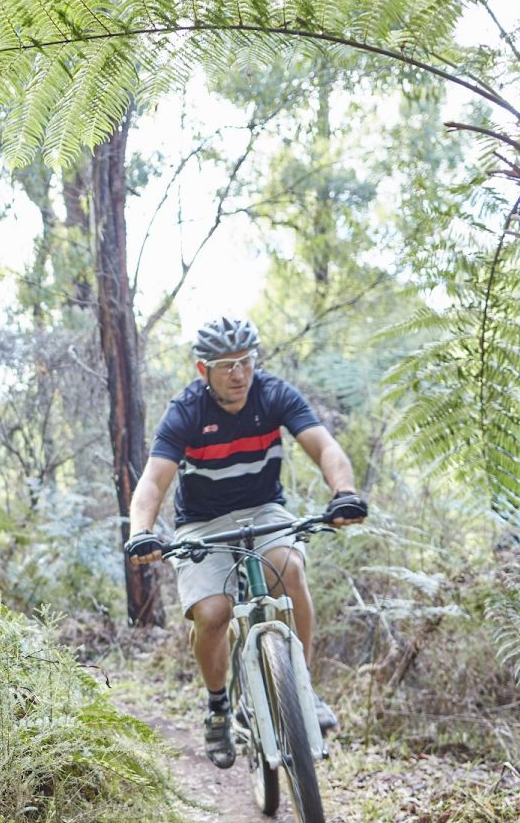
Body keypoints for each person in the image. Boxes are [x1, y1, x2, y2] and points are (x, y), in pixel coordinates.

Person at [123, 317, 368, 768]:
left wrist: (344, 492)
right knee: (213, 613)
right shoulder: (187, 411)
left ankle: (302, 686)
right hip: (203, 522)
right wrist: (141, 531)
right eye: (226, 365)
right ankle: (218, 705)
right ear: (204, 370)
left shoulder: (273, 394)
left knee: (289, 570)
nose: (239, 374)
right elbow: (154, 482)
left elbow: (325, 447)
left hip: (264, 510)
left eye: (246, 362)